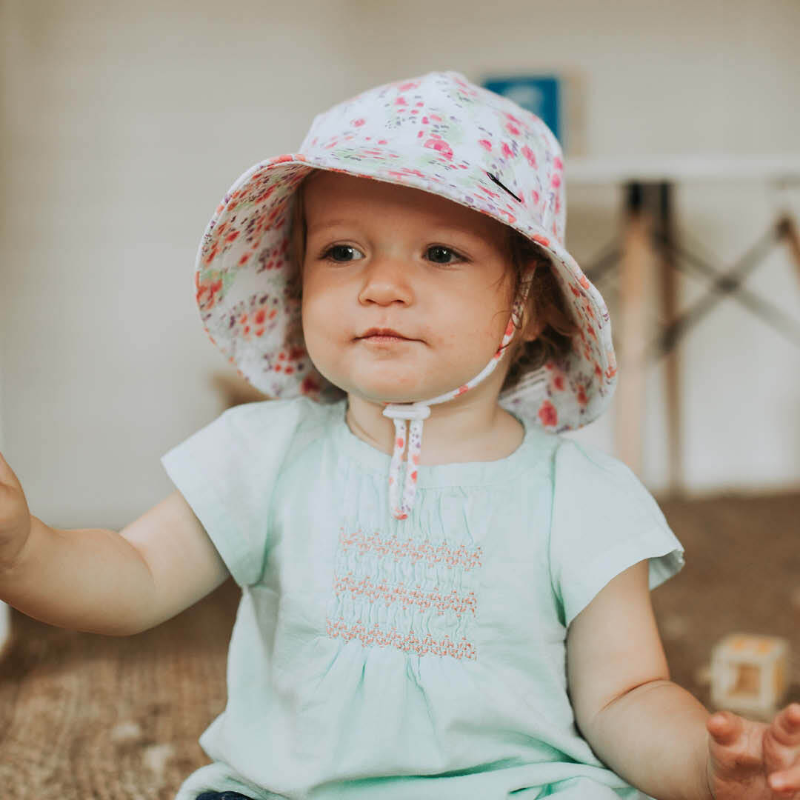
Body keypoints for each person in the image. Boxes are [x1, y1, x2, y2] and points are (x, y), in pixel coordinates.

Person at [0, 71, 798, 800]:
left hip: (517, 789)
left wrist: (708, 765)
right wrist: (27, 551)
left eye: (441, 252)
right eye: (341, 251)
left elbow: (627, 697)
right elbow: (134, 578)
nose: (381, 285)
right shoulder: (263, 454)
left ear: (536, 308)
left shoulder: (581, 497)